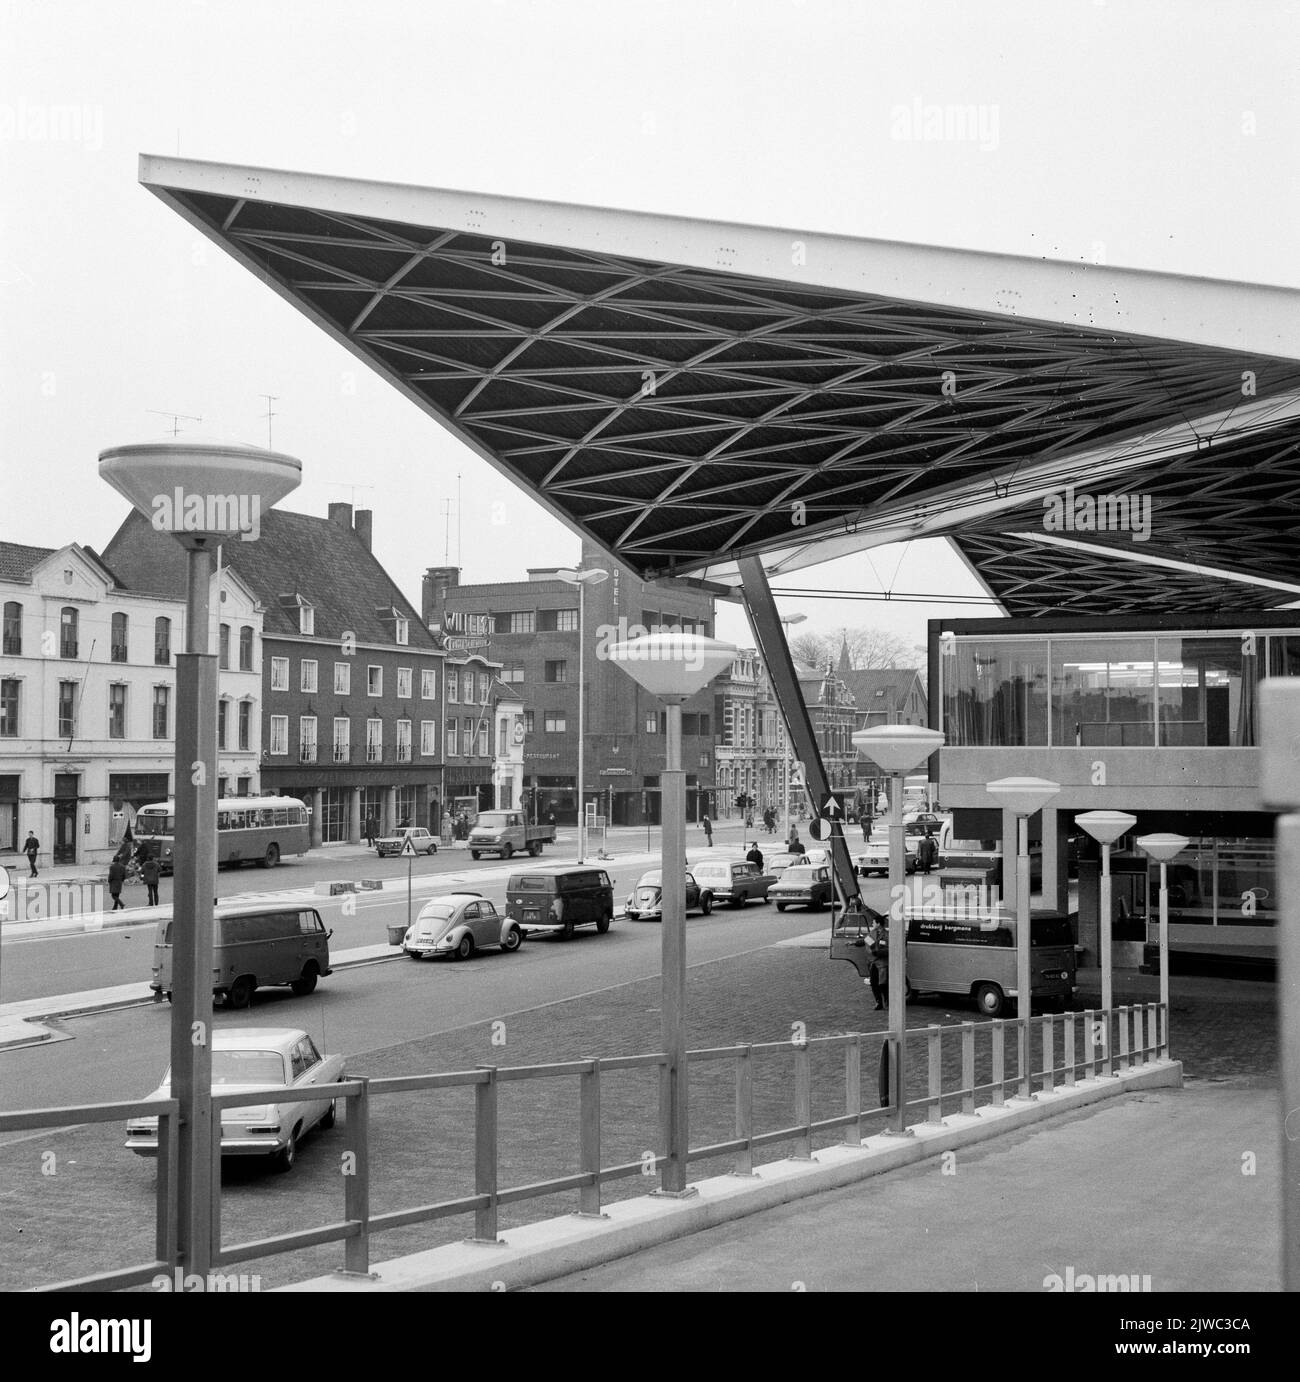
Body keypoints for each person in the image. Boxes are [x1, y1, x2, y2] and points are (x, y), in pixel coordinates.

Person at [867, 917, 888, 1010]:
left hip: (882, 963)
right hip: (875, 962)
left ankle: (887, 1000)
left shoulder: (886, 935)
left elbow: (888, 949)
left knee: (882, 984)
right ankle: (879, 1001)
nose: (872, 924)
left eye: (873, 922)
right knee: (873, 982)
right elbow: (866, 942)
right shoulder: (872, 933)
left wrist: (878, 953)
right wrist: (854, 943)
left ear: (878, 924)